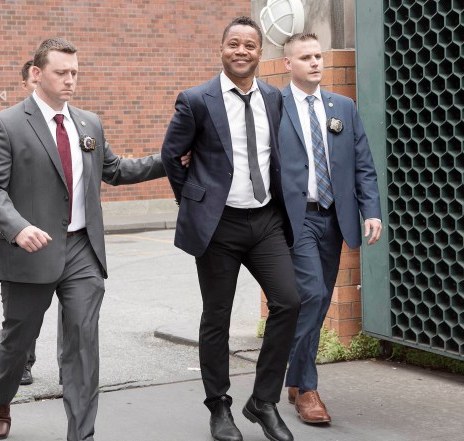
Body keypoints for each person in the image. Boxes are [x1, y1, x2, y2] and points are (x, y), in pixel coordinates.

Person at [0, 37, 167, 441]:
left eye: (74, 73)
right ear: (36, 73)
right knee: (18, 338)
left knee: (82, 343)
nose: (69, 81)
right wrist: (17, 226)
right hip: (31, 250)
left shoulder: (88, 124)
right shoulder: (7, 123)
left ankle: (81, 435)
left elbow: (115, 170)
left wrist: (170, 159)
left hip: (82, 250)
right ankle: (0, 397)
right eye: (61, 72)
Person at [161, 16, 300, 441]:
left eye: (250, 46)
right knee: (216, 318)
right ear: (222, 49)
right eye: (233, 44)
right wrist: (195, 201)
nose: (241, 51)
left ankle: (262, 401)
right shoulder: (197, 100)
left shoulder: (274, 98)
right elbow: (172, 155)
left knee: (290, 302)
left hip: (264, 220)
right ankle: (219, 406)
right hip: (218, 226)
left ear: (261, 52)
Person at [279, 32, 382, 424]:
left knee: (319, 301)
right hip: (296, 217)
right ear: (288, 64)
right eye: (306, 57)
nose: (316, 62)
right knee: (313, 292)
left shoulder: (344, 107)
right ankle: (307, 389)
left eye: (319, 55)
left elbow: (363, 165)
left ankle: (293, 370)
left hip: (334, 217)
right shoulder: (275, 105)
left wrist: (370, 210)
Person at [0, 59, 51, 387]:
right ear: (29, 82)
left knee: (76, 313)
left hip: (58, 238)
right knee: (22, 317)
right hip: (18, 238)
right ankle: (20, 364)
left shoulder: (59, 124)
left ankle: (73, 371)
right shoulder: (9, 123)